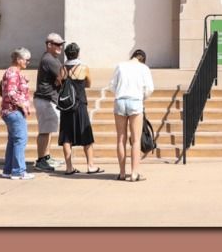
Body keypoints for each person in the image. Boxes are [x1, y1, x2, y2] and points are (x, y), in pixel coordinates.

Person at [109, 48, 155, 182]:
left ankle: (122, 172)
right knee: (135, 140)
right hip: (135, 101)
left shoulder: (120, 66)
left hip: (120, 101)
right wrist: (142, 97)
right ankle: (135, 173)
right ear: (143, 59)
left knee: (120, 139)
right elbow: (150, 89)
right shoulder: (144, 68)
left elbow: (112, 86)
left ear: (133, 56)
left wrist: (120, 92)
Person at [57, 42, 102, 175]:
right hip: (80, 104)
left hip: (66, 106)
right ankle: (90, 165)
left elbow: (60, 82)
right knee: (86, 135)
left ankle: (69, 167)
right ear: (78, 53)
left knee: (66, 137)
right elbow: (88, 83)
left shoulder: (62, 68)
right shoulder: (83, 67)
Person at [0, 48, 35, 180]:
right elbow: (10, 93)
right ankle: (18, 171)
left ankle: (8, 170)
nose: (28, 62)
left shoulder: (12, 72)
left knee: (13, 141)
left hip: (9, 111)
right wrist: (23, 106)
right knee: (20, 140)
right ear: (19, 60)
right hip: (14, 111)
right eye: (26, 59)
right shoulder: (13, 73)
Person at [31, 33, 66, 172]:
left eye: (61, 44)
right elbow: (63, 76)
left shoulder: (52, 58)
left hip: (49, 100)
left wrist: (60, 78)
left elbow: (61, 77)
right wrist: (60, 78)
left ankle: (46, 157)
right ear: (49, 45)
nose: (60, 47)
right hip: (45, 100)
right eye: (57, 44)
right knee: (44, 132)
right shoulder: (49, 60)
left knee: (49, 130)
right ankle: (41, 160)